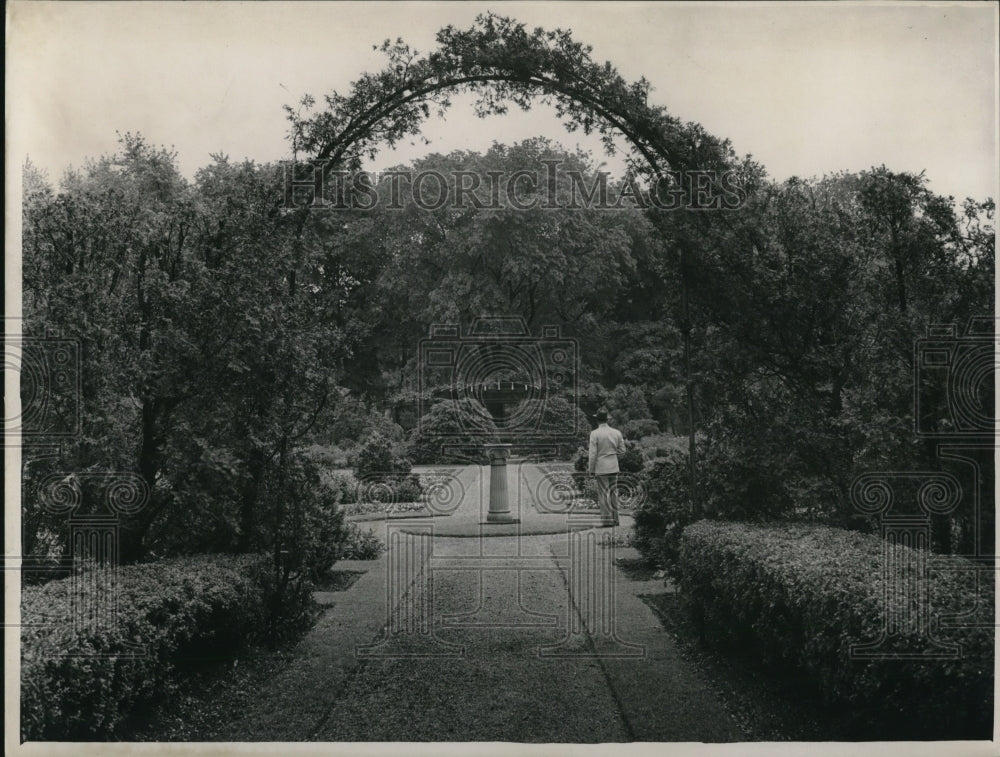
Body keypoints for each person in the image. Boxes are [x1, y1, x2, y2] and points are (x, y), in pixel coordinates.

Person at [587, 407, 626, 527]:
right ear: (607, 420)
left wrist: (591, 469)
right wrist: (613, 456)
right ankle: (616, 519)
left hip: (601, 467)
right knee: (614, 492)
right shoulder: (616, 433)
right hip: (613, 466)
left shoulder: (595, 434)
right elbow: (623, 450)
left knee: (604, 493)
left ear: (597, 420)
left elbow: (593, 454)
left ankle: (607, 521)